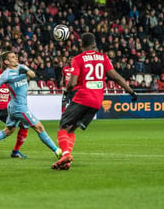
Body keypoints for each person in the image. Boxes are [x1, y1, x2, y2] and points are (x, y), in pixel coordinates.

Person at [52, 33, 138, 170]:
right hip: (97, 101)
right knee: (72, 129)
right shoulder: (103, 58)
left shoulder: (78, 59)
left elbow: (72, 83)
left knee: (62, 127)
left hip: (82, 98)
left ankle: (66, 155)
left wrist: (66, 92)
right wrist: (131, 91)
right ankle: (66, 161)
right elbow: (116, 77)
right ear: (94, 44)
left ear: (81, 45)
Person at [0, 51, 62, 161]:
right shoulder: (6, 75)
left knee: (8, 130)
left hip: (12, 106)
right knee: (39, 127)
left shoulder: (21, 66)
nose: (16, 58)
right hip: (19, 108)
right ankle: (57, 151)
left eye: (16, 56)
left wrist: (26, 71)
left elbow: (33, 74)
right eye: (12, 57)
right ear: (6, 61)